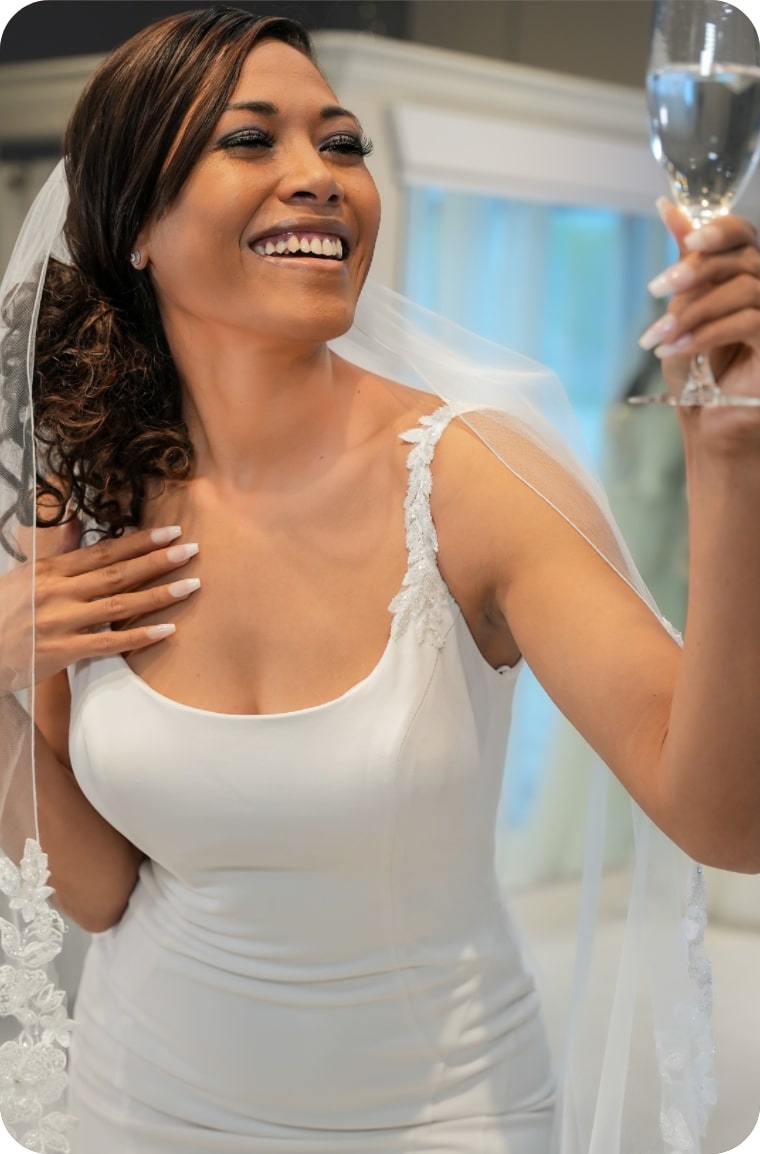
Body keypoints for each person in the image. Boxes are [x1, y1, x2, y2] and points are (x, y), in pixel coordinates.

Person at [0, 6, 759, 1153]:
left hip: (441, 1118)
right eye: (249, 141)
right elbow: (100, 889)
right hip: (134, 1104)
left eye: (341, 143)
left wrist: (732, 462)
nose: (317, 177)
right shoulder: (85, 494)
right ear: (136, 223)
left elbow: (723, 818)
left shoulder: (475, 476)